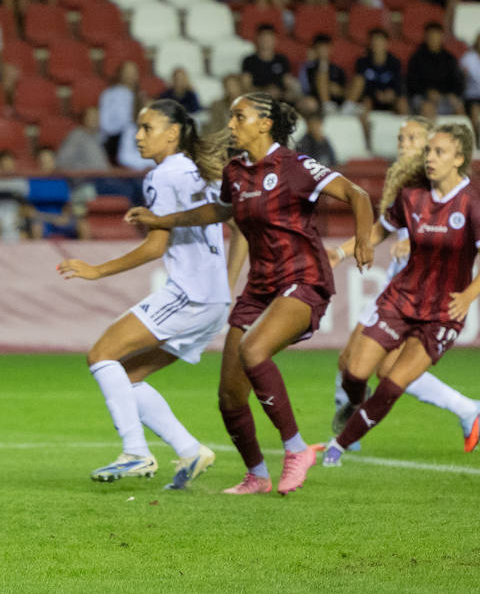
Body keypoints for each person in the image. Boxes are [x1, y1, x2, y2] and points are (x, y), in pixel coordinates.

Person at [125, 91, 375, 496]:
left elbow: (357, 195)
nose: (230, 124)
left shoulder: (295, 167)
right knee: (229, 394)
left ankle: (296, 450)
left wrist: (363, 238)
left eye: (239, 117)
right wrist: (162, 220)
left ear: (264, 123)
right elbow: (218, 212)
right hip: (260, 286)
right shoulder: (237, 172)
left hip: (304, 278)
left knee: (254, 351)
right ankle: (257, 475)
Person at [60, 101, 242, 488]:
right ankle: (190, 450)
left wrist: (97, 271)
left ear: (172, 133)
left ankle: (136, 453)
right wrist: (225, 281)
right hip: (213, 301)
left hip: (190, 295)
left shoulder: (162, 176)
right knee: (126, 375)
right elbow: (239, 226)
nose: (138, 136)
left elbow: (154, 248)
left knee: (101, 355)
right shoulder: (202, 173)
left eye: (147, 128)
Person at [323, 124, 480, 467]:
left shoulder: (474, 203)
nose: (429, 157)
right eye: (428, 151)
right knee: (354, 371)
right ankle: (356, 408)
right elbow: (380, 231)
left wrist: (467, 297)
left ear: (459, 159)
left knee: (392, 382)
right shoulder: (411, 195)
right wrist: (344, 252)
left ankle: (339, 446)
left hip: (441, 312)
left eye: (438, 152)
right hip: (401, 298)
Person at [406, 22, 465, 117]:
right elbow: (411, 83)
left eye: (436, 36)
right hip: (422, 97)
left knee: (459, 107)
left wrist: (451, 94)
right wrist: (427, 92)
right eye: (431, 36)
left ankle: (457, 132)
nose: (433, 39)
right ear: (425, 37)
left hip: (444, 97)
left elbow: (457, 82)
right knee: (428, 108)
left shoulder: (449, 58)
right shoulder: (416, 58)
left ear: (441, 37)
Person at [348, 28, 407, 115]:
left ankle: (407, 127)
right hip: (370, 98)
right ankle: (364, 127)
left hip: (389, 98)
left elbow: (399, 83)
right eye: (374, 41)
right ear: (370, 44)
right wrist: (375, 93)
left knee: (402, 103)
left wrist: (392, 93)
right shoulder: (362, 62)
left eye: (380, 41)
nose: (377, 44)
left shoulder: (394, 62)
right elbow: (362, 85)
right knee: (365, 104)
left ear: (387, 44)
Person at [27, 147, 78, 239]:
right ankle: (37, 252)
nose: (45, 163)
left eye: (49, 160)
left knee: (82, 224)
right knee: (36, 226)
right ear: (38, 162)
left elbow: (67, 205)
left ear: (54, 161)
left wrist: (66, 216)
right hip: (40, 219)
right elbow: (28, 210)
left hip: (61, 219)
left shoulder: (62, 180)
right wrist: (51, 219)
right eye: (43, 160)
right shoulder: (30, 181)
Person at [98, 61, 143, 163]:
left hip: (136, 136)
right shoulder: (110, 94)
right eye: (127, 72)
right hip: (115, 138)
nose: (130, 76)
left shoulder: (140, 96)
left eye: (133, 72)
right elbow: (105, 124)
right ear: (120, 74)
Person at [241, 24, 299, 100]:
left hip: (280, 99)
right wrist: (264, 92)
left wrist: (285, 93)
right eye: (263, 38)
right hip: (258, 100)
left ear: (275, 40)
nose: (266, 41)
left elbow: (288, 82)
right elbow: (246, 86)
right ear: (257, 39)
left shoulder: (281, 59)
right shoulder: (249, 61)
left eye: (269, 38)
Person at [300, 34, 348, 114]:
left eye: (326, 48)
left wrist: (337, 90)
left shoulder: (338, 69)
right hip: (317, 102)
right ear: (315, 50)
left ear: (331, 49)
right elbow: (306, 89)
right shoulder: (309, 68)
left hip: (337, 102)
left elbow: (345, 90)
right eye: (320, 48)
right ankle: (327, 104)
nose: (323, 51)